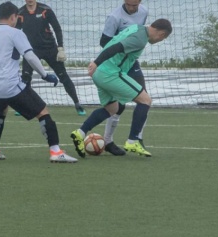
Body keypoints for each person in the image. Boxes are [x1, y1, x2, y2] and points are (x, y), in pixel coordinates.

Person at [0, 1, 77, 163]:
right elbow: (30, 56)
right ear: (13, 17)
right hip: (10, 85)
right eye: (16, 18)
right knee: (43, 111)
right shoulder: (15, 33)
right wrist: (45, 75)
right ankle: (56, 151)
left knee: (0, 111)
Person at [70, 19, 173, 159]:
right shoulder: (140, 40)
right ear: (161, 34)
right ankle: (133, 140)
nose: (160, 41)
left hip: (99, 73)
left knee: (112, 109)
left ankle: (80, 133)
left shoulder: (136, 27)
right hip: (109, 73)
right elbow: (116, 47)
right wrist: (96, 62)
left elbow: (113, 42)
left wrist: (97, 64)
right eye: (163, 38)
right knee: (145, 100)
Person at [15, 0, 85, 116]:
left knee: (63, 76)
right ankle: (22, 107)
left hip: (50, 48)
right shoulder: (20, 13)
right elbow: (15, 33)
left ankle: (77, 104)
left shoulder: (45, 10)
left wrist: (60, 48)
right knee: (25, 78)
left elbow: (57, 28)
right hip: (31, 51)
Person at [98, 0, 150, 156]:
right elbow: (104, 42)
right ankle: (107, 141)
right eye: (128, 4)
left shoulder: (144, 12)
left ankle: (138, 138)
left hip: (132, 63)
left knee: (144, 98)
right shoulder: (114, 17)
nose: (131, 8)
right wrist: (122, 45)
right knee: (118, 105)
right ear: (124, 0)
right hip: (116, 64)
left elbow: (140, 34)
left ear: (140, 1)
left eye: (134, 5)